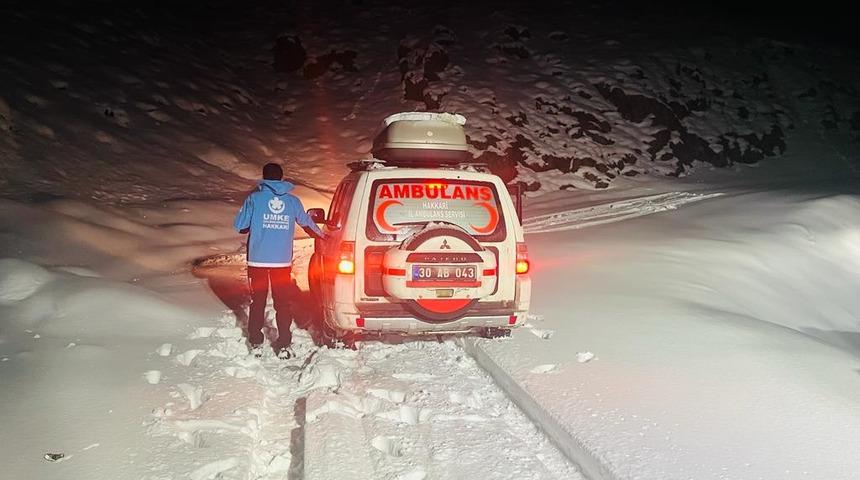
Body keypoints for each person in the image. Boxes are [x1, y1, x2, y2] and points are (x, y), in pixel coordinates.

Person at [234, 162, 325, 358]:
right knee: (282, 303)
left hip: (257, 261)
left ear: (264, 178)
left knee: (257, 302)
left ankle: (256, 343)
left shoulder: (254, 199)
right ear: (281, 178)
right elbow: (307, 224)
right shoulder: (293, 201)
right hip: (281, 262)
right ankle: (284, 344)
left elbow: (241, 226)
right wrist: (323, 236)